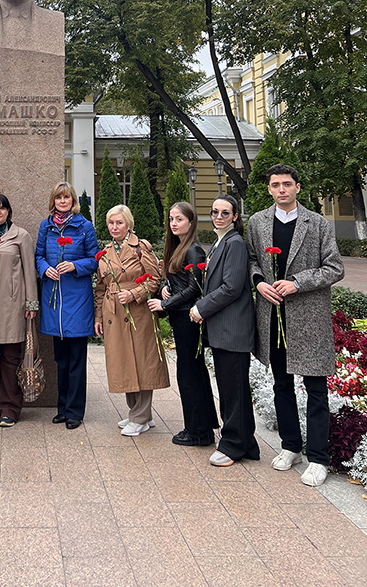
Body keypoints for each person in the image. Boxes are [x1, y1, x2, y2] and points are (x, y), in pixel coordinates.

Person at [246, 164, 344, 487]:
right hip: (273, 315)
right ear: (269, 189)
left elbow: (334, 268)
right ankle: (291, 446)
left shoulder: (316, 223)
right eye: (275, 185)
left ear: (298, 187)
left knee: (316, 390)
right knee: (281, 385)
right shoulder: (257, 223)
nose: (281, 190)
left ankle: (318, 458)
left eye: (287, 184)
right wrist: (259, 283)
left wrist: (297, 283)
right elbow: (251, 262)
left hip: (308, 318)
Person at [190, 195, 259, 467]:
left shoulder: (235, 243)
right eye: (215, 211)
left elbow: (231, 287)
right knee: (233, 389)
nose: (219, 216)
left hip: (233, 329)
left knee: (234, 391)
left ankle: (232, 446)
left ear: (234, 217)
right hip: (223, 329)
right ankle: (248, 445)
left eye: (225, 212)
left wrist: (200, 308)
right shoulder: (220, 243)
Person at [148, 202, 218, 447]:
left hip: (189, 319)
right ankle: (201, 427)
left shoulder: (194, 250)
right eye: (171, 219)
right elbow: (178, 282)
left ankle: (198, 432)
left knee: (189, 374)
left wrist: (164, 305)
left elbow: (193, 289)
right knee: (191, 372)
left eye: (179, 219)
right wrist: (166, 288)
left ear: (191, 222)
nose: (174, 224)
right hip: (181, 317)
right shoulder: (178, 247)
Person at [95, 205, 169, 436]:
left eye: (119, 223)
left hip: (138, 312)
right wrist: (98, 316)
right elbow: (100, 288)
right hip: (113, 313)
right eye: (111, 223)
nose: (114, 227)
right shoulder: (105, 251)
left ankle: (141, 416)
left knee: (143, 362)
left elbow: (154, 280)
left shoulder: (141, 247)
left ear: (128, 224)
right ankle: (137, 414)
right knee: (124, 362)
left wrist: (134, 293)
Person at [36, 182, 98, 430]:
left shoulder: (84, 227)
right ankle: (62, 408)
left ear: (73, 200)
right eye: (59, 198)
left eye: (67, 197)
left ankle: (75, 411)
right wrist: (45, 269)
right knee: (60, 359)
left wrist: (75, 266)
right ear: (54, 201)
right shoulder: (46, 226)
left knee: (76, 360)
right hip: (53, 299)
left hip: (77, 299)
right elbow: (38, 256)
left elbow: (95, 259)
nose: (63, 201)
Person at [0, 193, 39, 428]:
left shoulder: (20, 236)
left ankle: (11, 407)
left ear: (9, 212)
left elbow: (30, 272)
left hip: (13, 306)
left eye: (2, 208)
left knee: (11, 357)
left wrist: (31, 303)